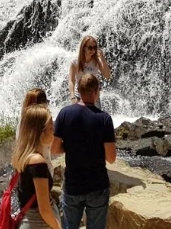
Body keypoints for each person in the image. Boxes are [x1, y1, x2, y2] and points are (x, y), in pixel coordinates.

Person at [52, 72, 117, 229]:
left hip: (73, 185)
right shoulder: (105, 119)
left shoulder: (64, 113)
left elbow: (54, 148)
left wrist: (71, 147)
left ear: (78, 91)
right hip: (97, 186)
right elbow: (111, 158)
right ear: (96, 92)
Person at [9, 104, 61, 229]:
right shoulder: (38, 162)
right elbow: (44, 209)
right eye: (50, 128)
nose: (53, 131)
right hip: (39, 223)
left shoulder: (22, 156)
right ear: (40, 133)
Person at [68, 35, 112, 105]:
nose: (93, 50)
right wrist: (72, 96)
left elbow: (107, 76)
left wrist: (103, 59)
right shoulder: (75, 62)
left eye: (95, 47)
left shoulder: (97, 61)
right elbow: (71, 80)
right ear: (84, 47)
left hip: (94, 97)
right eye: (90, 47)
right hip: (79, 96)